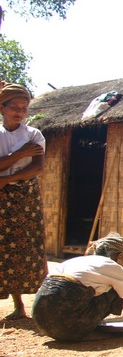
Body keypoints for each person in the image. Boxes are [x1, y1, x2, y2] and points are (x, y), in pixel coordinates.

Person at [32, 232, 123, 341]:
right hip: (68, 327)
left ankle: (82, 325)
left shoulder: (76, 261)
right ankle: (85, 329)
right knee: (115, 290)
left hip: (41, 322)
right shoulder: (111, 266)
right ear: (121, 256)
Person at [0, 82, 48, 320]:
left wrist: (7, 179)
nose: (19, 112)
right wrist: (19, 155)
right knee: (3, 248)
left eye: (24, 108)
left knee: (27, 246)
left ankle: (29, 306)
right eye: (14, 107)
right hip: (2, 198)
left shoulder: (33, 135)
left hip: (25, 196)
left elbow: (37, 167)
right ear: (2, 108)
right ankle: (15, 304)